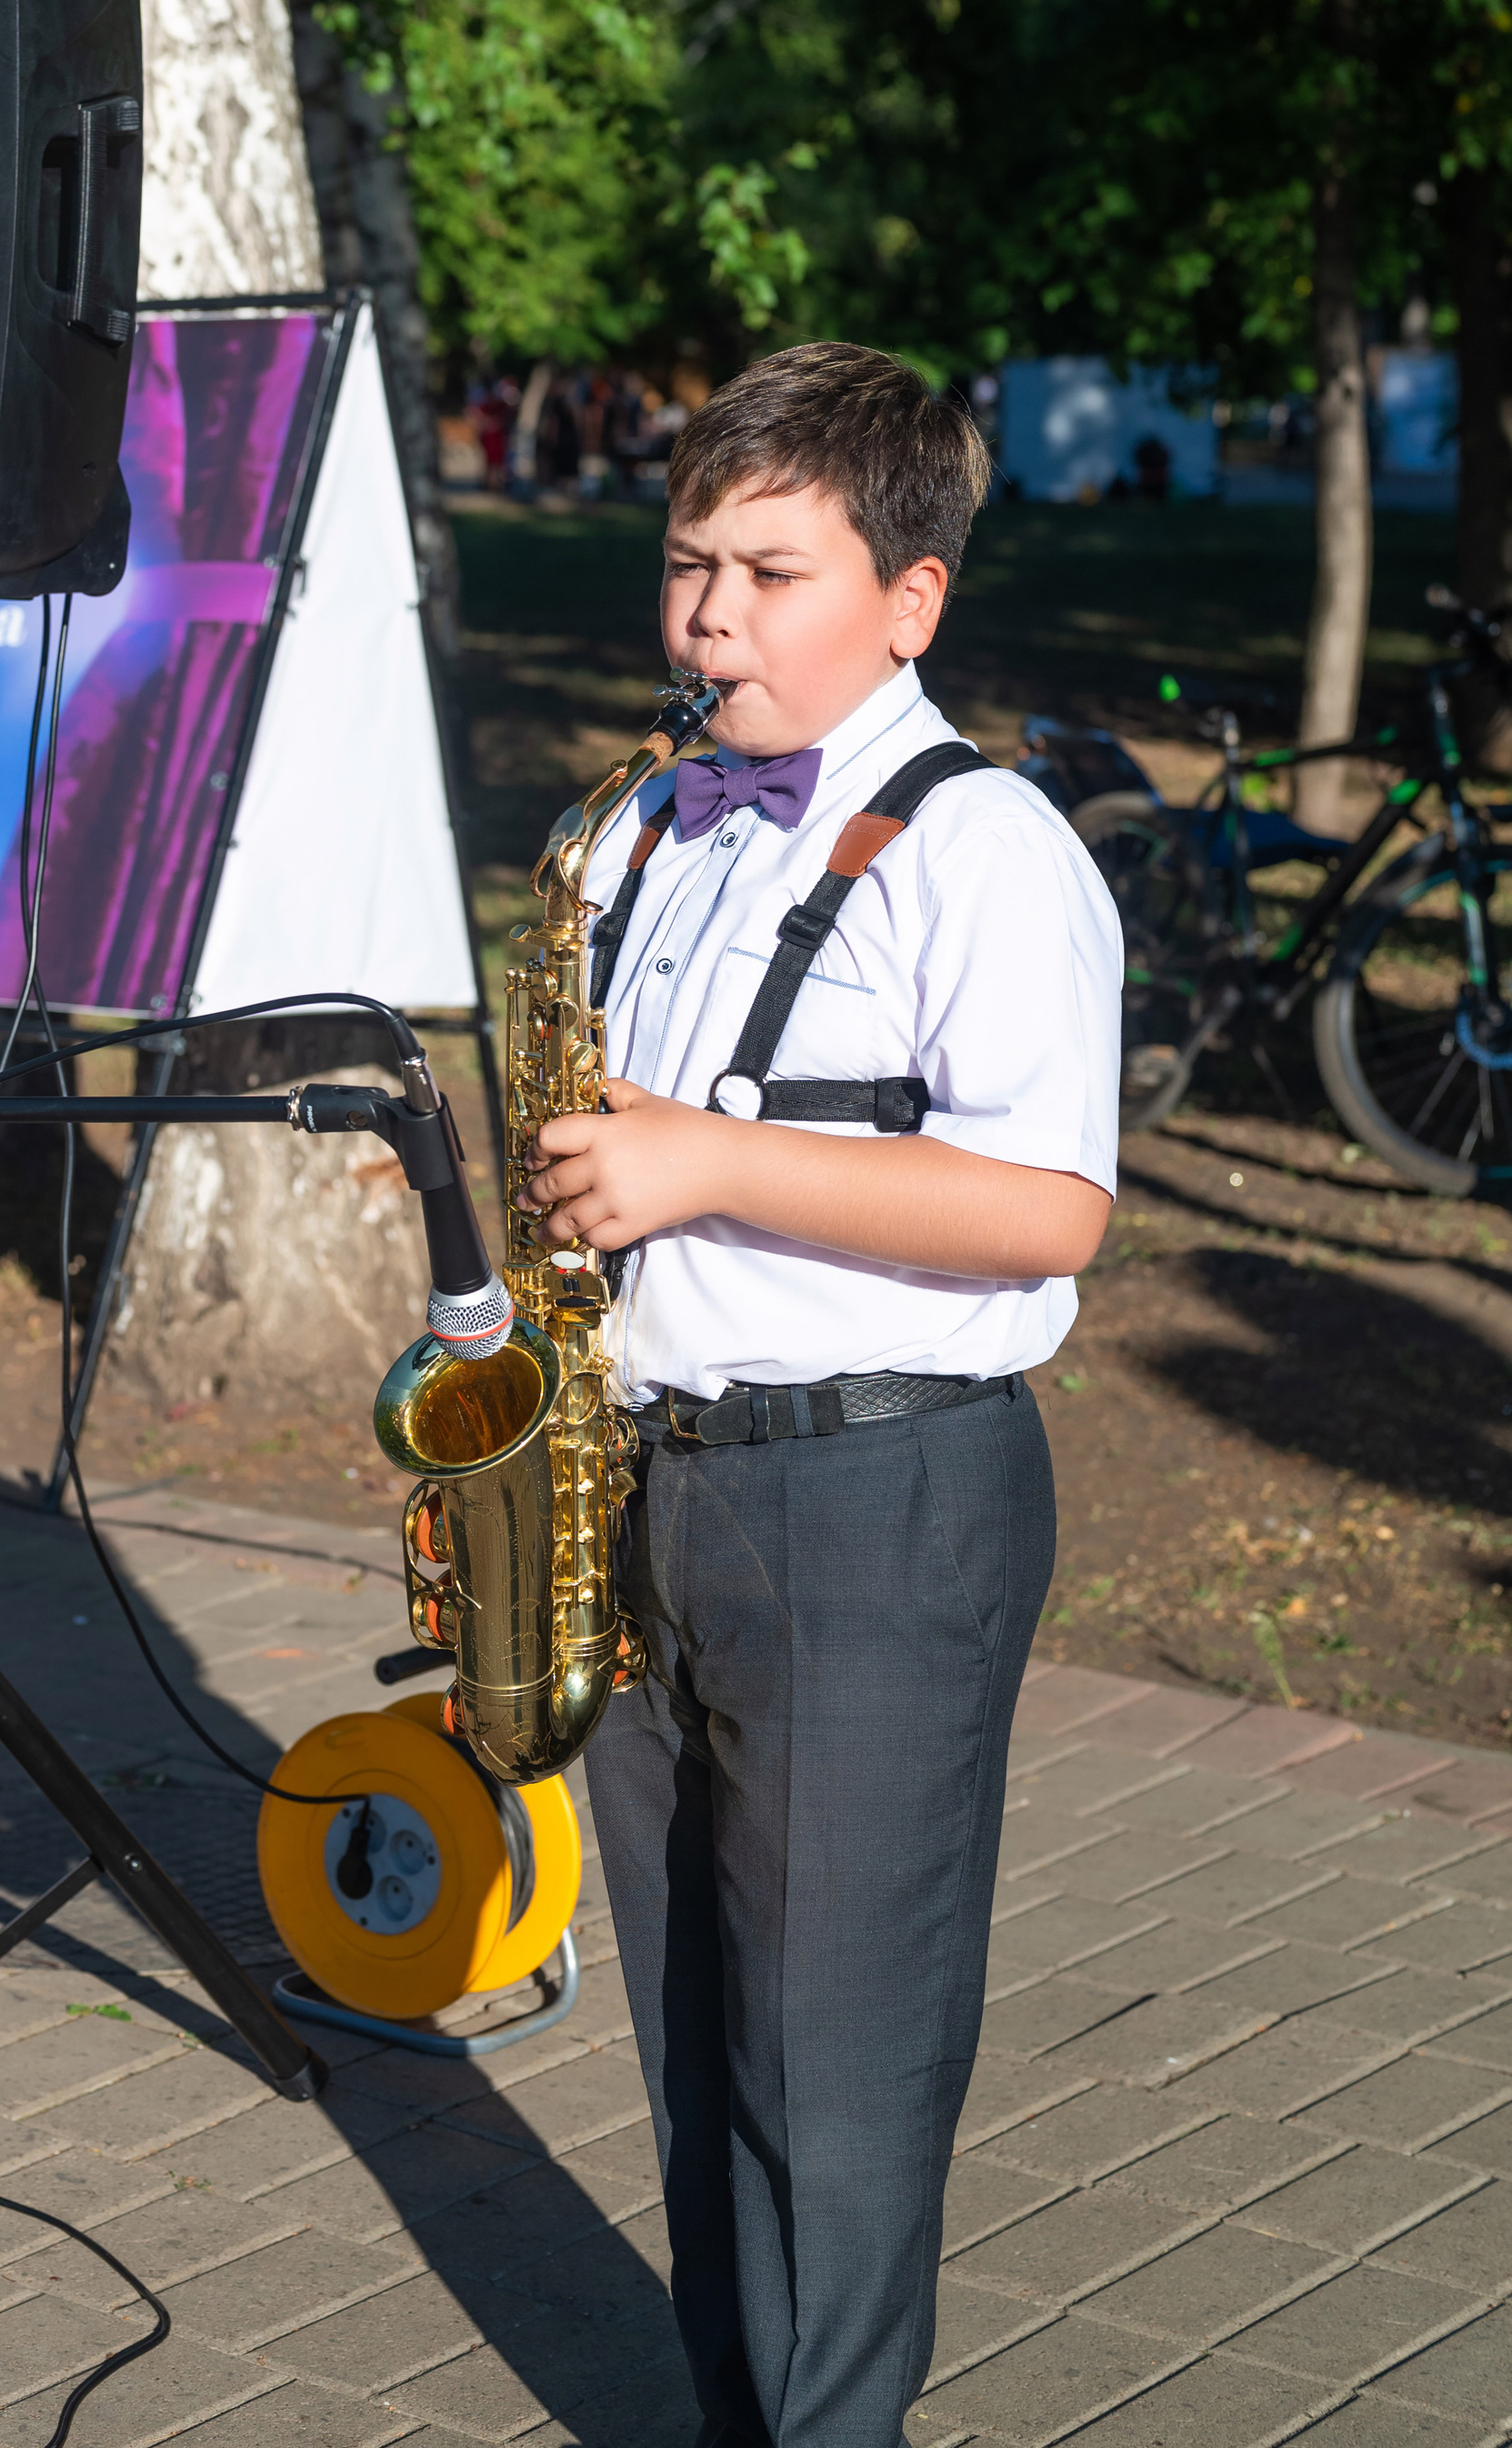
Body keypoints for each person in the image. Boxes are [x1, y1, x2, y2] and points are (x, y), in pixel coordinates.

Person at [526, 340, 1121, 2448]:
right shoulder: (649, 836)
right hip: (662, 1486)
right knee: (702, 2071)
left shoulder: (989, 850)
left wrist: (704, 1161)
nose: (705, 621)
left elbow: (1049, 1208)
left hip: (875, 1503)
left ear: (910, 597)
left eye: (767, 573)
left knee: (834, 2097)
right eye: (687, 565)